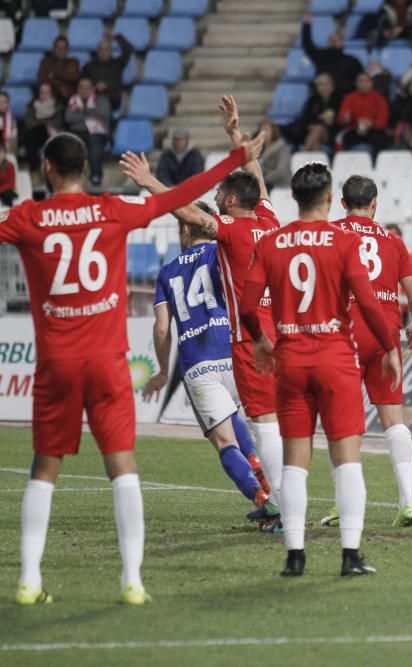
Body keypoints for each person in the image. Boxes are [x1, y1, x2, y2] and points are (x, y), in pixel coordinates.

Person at [3, 131, 265, 606]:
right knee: (122, 468)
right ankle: (132, 581)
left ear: (45, 170)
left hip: (56, 364)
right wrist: (235, 157)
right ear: (88, 168)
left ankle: (29, 579)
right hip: (107, 362)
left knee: (44, 468)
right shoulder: (111, 210)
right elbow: (183, 198)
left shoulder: (29, 217)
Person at [120, 97, 285, 531]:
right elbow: (258, 182)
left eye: (219, 194)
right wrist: (235, 135)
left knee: (232, 438)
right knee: (267, 424)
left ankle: (277, 503)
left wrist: (150, 181)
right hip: (268, 337)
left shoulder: (222, 236)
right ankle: (281, 502)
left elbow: (188, 211)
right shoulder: (269, 219)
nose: (215, 197)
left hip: (225, 351)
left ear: (230, 201)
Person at [239, 163, 402, 578]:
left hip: (290, 360)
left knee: (296, 461)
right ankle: (350, 555)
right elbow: (367, 302)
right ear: (330, 198)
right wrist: (388, 347)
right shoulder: (343, 241)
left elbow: (246, 304)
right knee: (347, 460)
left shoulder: (273, 242)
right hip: (334, 359)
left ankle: (295, 555)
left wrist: (260, 339)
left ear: (294, 198)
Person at [143, 205, 277, 522]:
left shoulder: (167, 272)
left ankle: (262, 497)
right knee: (256, 426)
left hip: (197, 363)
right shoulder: (222, 254)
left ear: (186, 229)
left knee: (224, 442)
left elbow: (162, 329)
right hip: (233, 348)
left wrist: (163, 371)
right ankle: (271, 487)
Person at [320, 175, 412, 528]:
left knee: (340, 421)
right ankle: (408, 501)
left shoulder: (331, 233)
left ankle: (342, 504)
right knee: (393, 420)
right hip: (385, 336)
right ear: (375, 203)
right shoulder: (393, 241)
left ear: (342, 203)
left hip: (343, 334)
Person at [64, 77, 111, 187]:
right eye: (81, 87)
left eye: (87, 87)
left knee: (95, 143)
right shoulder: (73, 101)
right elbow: (69, 118)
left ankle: (96, 175)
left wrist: (82, 111)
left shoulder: (102, 100)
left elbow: (104, 114)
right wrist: (90, 114)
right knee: (69, 145)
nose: (84, 90)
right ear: (77, 89)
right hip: (77, 131)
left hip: (98, 132)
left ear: (93, 88)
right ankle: (71, 178)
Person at [301, 15, 363, 95]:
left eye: (337, 40)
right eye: (331, 40)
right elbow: (307, 44)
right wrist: (307, 25)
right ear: (327, 42)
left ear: (342, 42)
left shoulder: (352, 61)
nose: (333, 42)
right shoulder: (320, 56)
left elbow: (360, 80)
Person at [336, 72, 389, 155]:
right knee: (346, 139)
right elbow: (341, 119)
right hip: (354, 130)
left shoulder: (379, 98)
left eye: (367, 81)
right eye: (361, 81)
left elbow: (383, 120)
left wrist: (371, 124)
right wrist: (346, 119)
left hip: (374, 130)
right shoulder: (349, 98)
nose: (364, 84)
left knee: (381, 140)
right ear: (356, 84)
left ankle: (376, 164)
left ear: (371, 83)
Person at [81, 30, 134, 111]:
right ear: (97, 51)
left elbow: (129, 49)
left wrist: (116, 36)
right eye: (101, 49)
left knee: (103, 104)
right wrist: (95, 87)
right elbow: (82, 83)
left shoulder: (117, 64)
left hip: (112, 100)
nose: (104, 52)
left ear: (111, 51)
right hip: (93, 100)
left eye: (107, 49)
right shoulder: (89, 66)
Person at [295, 73, 342, 153]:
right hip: (312, 132)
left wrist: (319, 122)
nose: (324, 87)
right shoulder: (312, 100)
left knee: (318, 129)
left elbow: (335, 121)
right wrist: (312, 125)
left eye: (326, 84)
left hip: (332, 133)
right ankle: (314, 164)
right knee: (316, 144)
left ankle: (303, 154)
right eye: (320, 85)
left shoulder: (339, 100)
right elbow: (305, 118)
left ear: (332, 85)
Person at [22, 82, 64, 172]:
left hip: (52, 133)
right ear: (38, 93)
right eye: (42, 92)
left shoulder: (58, 106)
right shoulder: (32, 106)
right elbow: (29, 123)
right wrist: (45, 122)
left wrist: (41, 122)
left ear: (52, 93)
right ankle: (34, 170)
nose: (44, 95)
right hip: (35, 134)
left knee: (33, 135)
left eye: (47, 92)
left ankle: (37, 170)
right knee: (31, 137)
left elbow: (58, 123)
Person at [37, 36, 80, 101]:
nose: (61, 50)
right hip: (51, 96)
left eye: (63, 48)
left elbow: (74, 77)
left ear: (67, 49)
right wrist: (60, 86)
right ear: (54, 49)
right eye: (58, 47)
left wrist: (54, 75)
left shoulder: (73, 62)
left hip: (69, 97)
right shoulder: (46, 62)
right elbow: (41, 78)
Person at [257, 119, 291, 190]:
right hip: (265, 185)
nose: (263, 133)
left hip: (280, 186)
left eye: (266, 130)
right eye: (261, 130)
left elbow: (281, 171)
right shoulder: (260, 148)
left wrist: (262, 179)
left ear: (273, 131)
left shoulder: (282, 148)